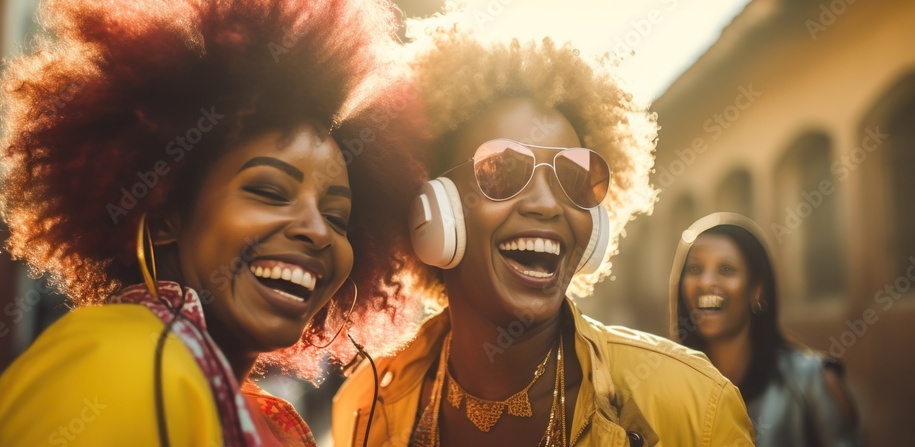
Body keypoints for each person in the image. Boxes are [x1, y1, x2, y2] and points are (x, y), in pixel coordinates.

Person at [0, 0, 429, 445]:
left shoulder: (227, 397)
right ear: (164, 214)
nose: (318, 230)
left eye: (338, 217)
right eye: (269, 192)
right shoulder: (124, 365)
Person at [332, 23, 755, 447]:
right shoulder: (366, 407)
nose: (548, 205)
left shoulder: (698, 406)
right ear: (434, 206)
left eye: (574, 177)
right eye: (503, 169)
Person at [669, 212, 864, 446]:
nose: (705, 282)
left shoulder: (813, 380)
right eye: (695, 269)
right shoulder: (668, 384)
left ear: (757, 290)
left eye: (726, 269)